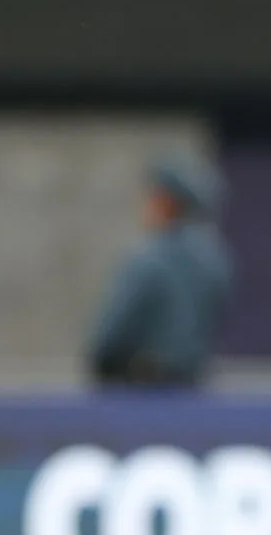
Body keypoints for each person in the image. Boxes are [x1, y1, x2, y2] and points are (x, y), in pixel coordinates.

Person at [87, 154, 233, 388]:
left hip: (141, 392)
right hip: (193, 391)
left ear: (166, 202)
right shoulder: (215, 260)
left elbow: (111, 338)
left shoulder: (150, 259)